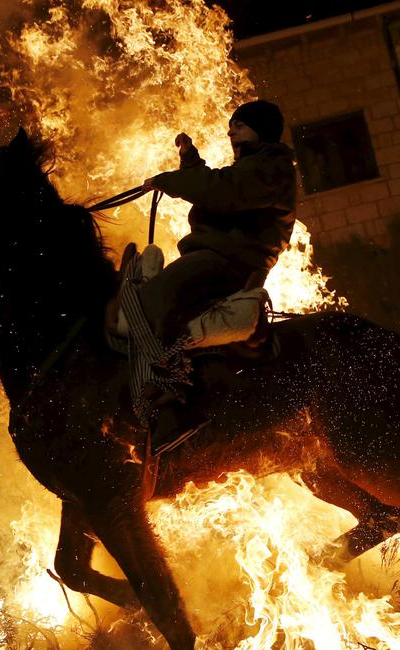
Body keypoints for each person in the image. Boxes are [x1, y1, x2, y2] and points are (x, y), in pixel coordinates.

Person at [139, 99, 297, 452]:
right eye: (231, 125)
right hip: (217, 256)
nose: (231, 130)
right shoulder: (253, 168)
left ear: (262, 129)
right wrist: (190, 163)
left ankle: (176, 405)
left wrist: (175, 179)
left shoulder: (274, 168)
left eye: (239, 124)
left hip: (229, 261)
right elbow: (220, 188)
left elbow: (223, 191)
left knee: (154, 299)